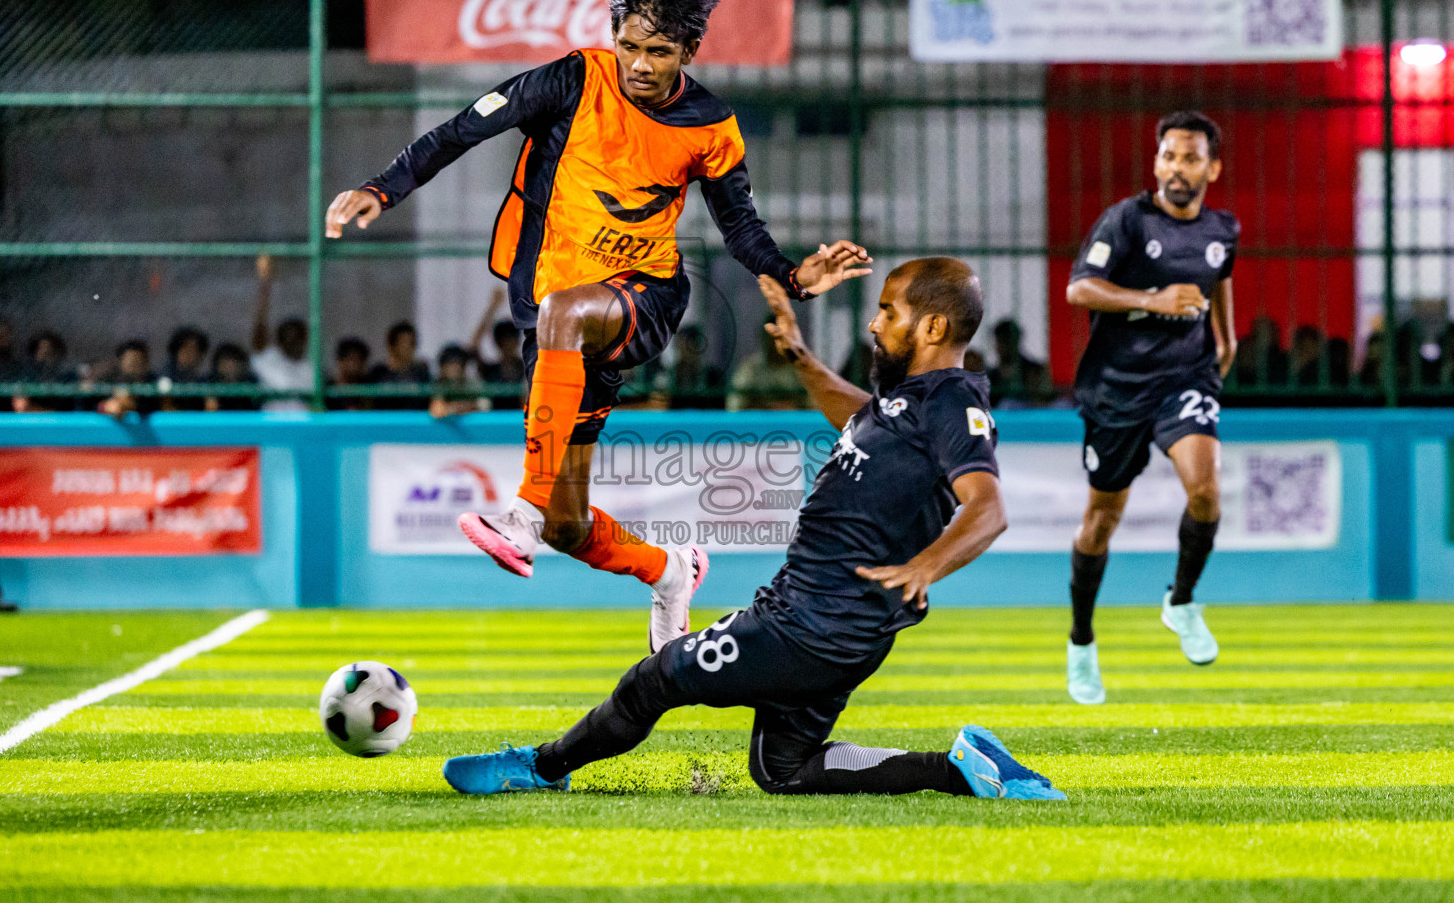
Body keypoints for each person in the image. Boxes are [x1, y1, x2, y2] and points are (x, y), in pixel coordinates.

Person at [326, 0, 870, 650]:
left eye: (660, 52)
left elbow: (740, 228)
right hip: (555, 322)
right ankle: (669, 570)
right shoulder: (572, 79)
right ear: (613, 35)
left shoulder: (711, 126)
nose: (640, 64)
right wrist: (383, 188)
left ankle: (517, 515)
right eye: (631, 45)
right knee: (568, 523)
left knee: (563, 323)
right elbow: (461, 130)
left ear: (689, 53)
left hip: (643, 297)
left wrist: (794, 276)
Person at [441, 258, 1063, 802]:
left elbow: (988, 507)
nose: (874, 324)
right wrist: (801, 358)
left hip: (808, 626)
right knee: (783, 770)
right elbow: (865, 417)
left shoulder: (954, 403)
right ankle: (958, 769)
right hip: (841, 631)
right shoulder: (914, 401)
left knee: (651, 681)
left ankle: (540, 769)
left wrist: (924, 567)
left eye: (887, 312)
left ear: (932, 327)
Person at [1063, 110, 1239, 705]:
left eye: (1190, 158)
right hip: (1116, 390)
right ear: (1157, 162)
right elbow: (1079, 289)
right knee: (1100, 522)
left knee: (1206, 491)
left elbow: (1218, 282)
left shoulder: (1222, 229)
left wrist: (1226, 342)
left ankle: (1182, 601)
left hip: (1184, 379)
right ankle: (1082, 641)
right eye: (1168, 156)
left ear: (1212, 168)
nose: (1176, 168)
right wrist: (1155, 300)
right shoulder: (1128, 220)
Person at [250, 255, 312, 411]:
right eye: (287, 338)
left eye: (297, 337)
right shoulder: (269, 361)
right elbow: (259, 328)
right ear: (278, 341)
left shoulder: (311, 370)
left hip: (303, 432)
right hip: (272, 431)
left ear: (305, 339)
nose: (292, 342)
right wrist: (265, 284)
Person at [726, 318, 808, 410]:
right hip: (758, 423)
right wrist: (764, 407)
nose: (775, 344)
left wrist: (789, 407)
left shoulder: (802, 370)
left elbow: (816, 410)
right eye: (772, 339)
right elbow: (734, 407)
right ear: (764, 339)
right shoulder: (750, 370)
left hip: (794, 423)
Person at [987, 318, 1052, 407]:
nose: (1003, 346)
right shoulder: (991, 376)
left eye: (1006, 341)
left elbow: (1045, 397)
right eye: (1000, 341)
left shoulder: (1033, 371)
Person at [204, 343, 256, 411]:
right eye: (225, 363)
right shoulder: (208, 381)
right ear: (217, 364)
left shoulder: (251, 382)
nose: (229, 367)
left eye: (233, 363)